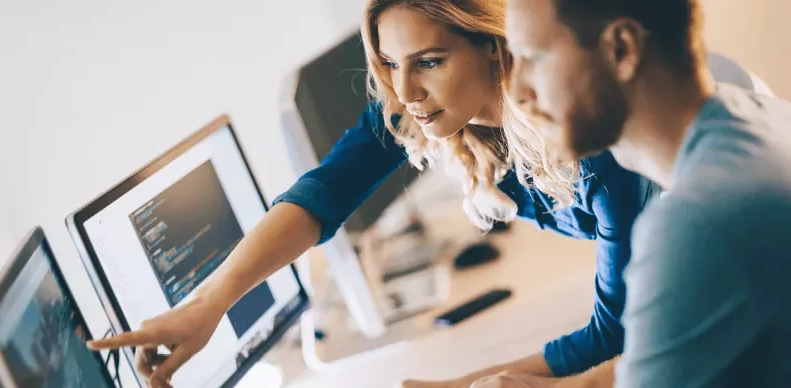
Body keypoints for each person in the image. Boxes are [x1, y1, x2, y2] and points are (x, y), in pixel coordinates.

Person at [87, 1, 646, 387]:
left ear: (494, 48)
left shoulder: (590, 140)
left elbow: (618, 335)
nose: (404, 92)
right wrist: (210, 304)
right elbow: (326, 190)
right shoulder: (425, 109)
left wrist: (462, 385)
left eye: (429, 62)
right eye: (388, 64)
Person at [474, 0, 791, 386]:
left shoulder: (696, 223)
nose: (519, 92)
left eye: (533, 57)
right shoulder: (758, 114)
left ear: (621, 49)